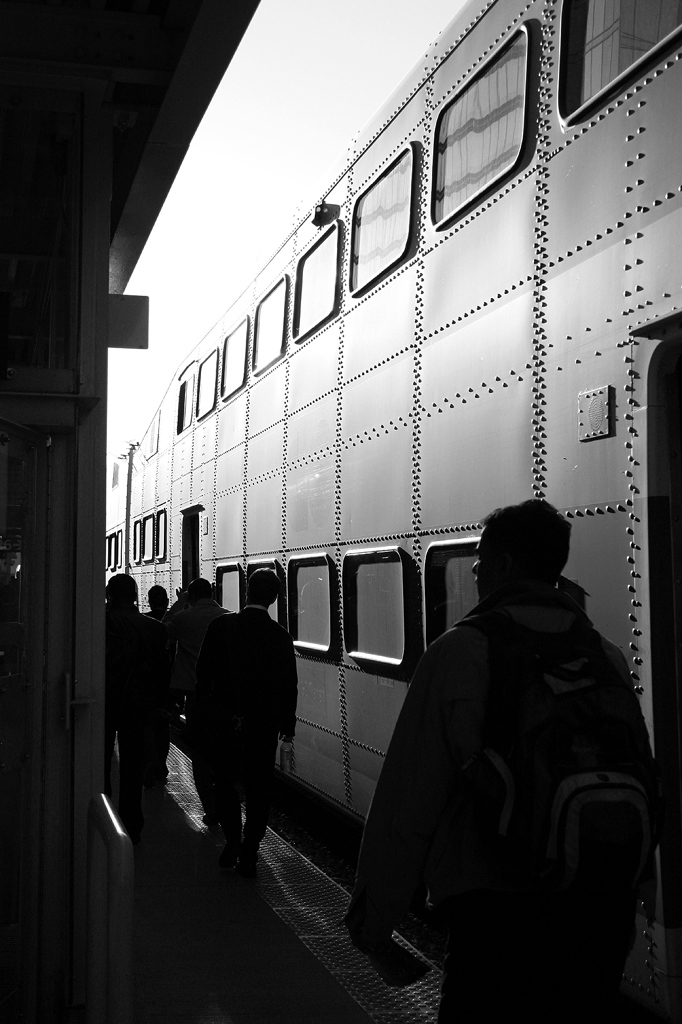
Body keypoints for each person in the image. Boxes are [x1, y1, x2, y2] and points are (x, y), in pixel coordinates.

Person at [344, 499, 655, 1023]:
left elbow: (407, 805)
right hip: (599, 912)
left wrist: (374, 927)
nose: (476, 571)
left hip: (497, 916)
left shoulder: (461, 652)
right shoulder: (604, 653)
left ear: (505, 565)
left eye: (481, 561)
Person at [195, 567, 298, 876]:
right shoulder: (280, 636)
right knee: (259, 789)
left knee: (224, 782)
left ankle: (232, 840)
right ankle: (251, 849)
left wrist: (209, 713)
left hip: (226, 722)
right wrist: (287, 729)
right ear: (275, 598)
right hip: (263, 727)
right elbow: (288, 686)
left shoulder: (221, 626)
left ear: (247, 591)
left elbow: (203, 676)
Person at [104, 573, 171, 843]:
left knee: (101, 763)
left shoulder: (98, 622)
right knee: (132, 768)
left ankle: (104, 818)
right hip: (138, 706)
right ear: (134, 596)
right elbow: (161, 672)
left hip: (104, 702)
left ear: (109, 594)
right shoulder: (154, 628)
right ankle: (131, 825)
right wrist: (160, 704)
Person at [161, 577, 228, 815]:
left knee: (199, 753)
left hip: (195, 696)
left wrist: (179, 604)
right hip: (222, 697)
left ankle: (210, 808)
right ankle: (223, 803)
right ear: (211, 593)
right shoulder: (227, 617)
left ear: (191, 596)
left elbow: (163, 632)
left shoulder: (182, 618)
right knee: (222, 750)